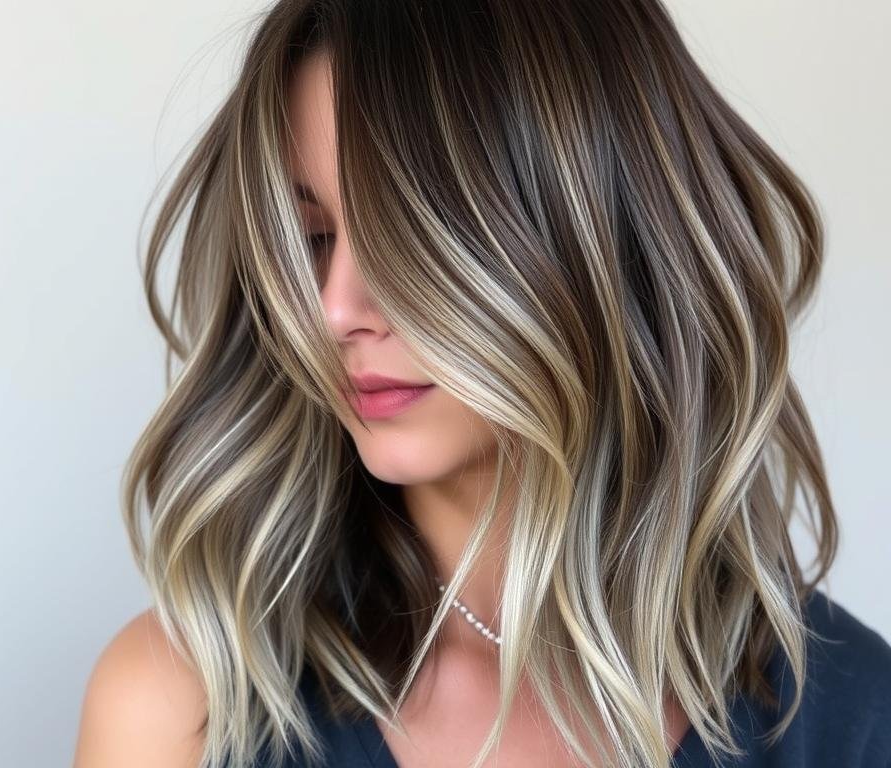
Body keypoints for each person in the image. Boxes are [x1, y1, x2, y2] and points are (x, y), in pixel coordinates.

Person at [72, 1, 891, 766]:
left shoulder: (855, 720)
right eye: (313, 237)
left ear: (599, 235)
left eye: (411, 242)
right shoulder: (182, 707)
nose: (333, 311)